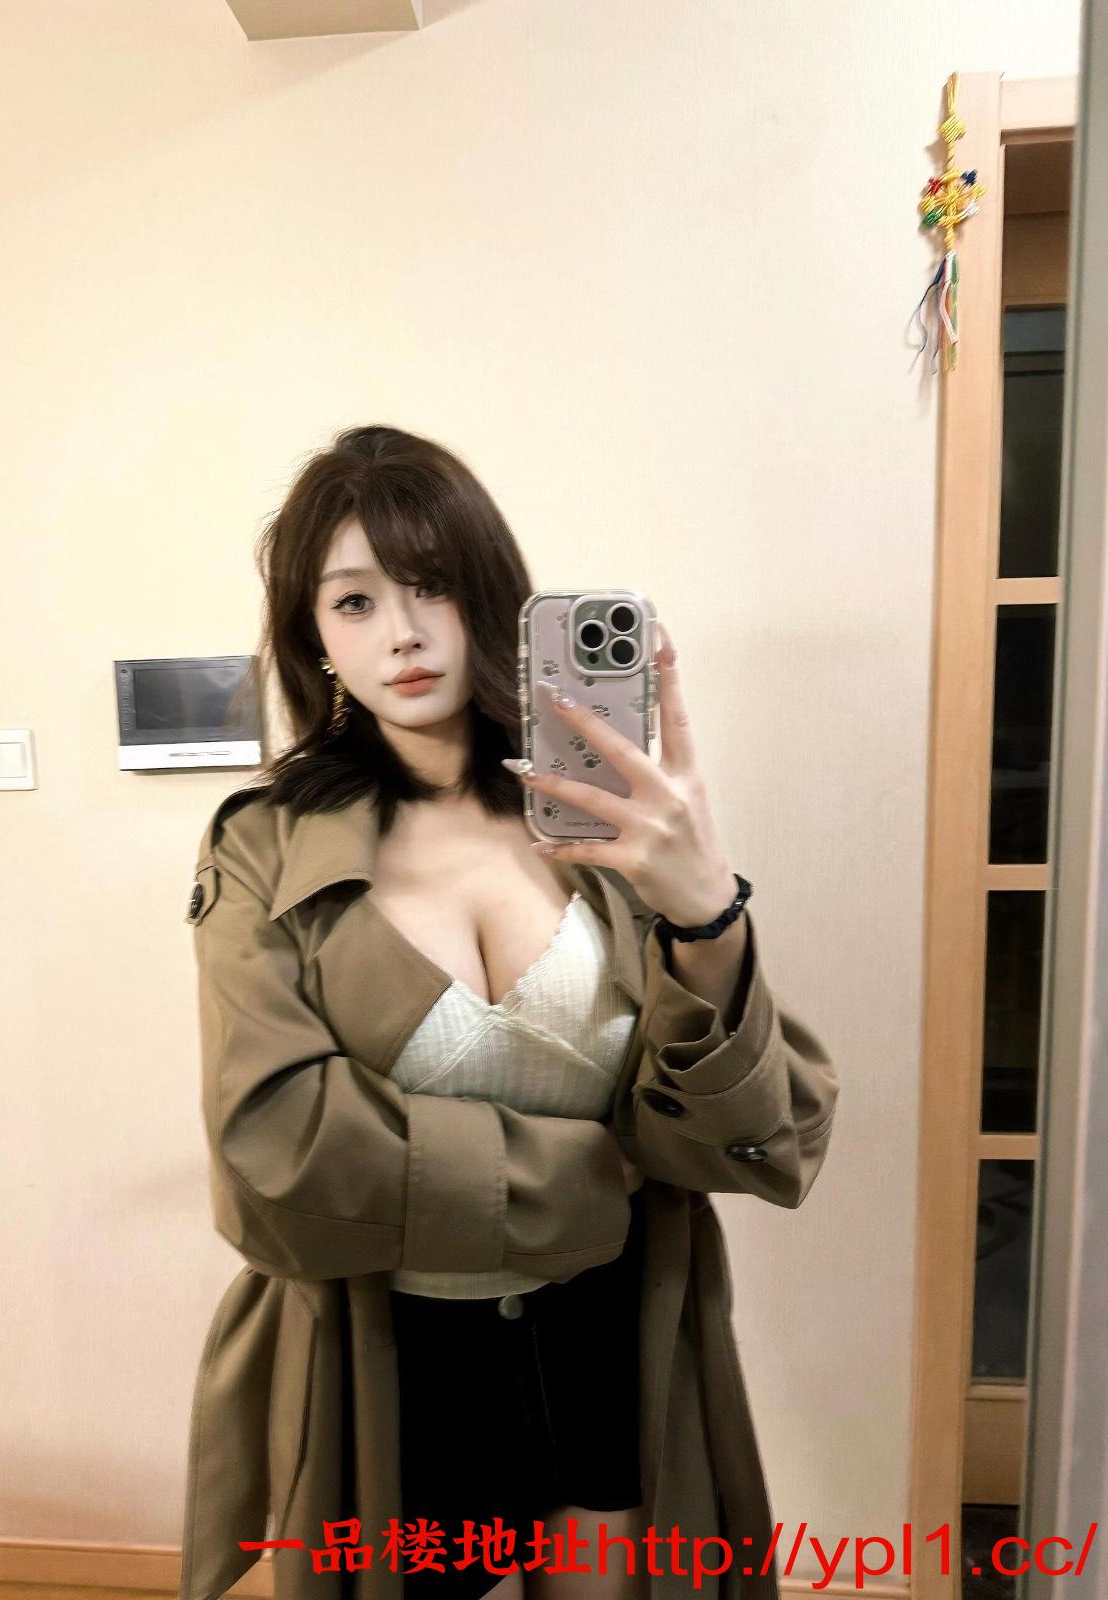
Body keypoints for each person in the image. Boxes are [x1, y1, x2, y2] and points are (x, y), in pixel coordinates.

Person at [178, 424, 840, 1600]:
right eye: (355, 600)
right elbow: (276, 1154)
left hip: (607, 1335)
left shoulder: (607, 825)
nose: (402, 631)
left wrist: (704, 912)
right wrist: (585, 1178)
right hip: (389, 1354)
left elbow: (762, 1136)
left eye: (430, 583)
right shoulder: (262, 849)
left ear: (490, 595)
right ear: (314, 636)